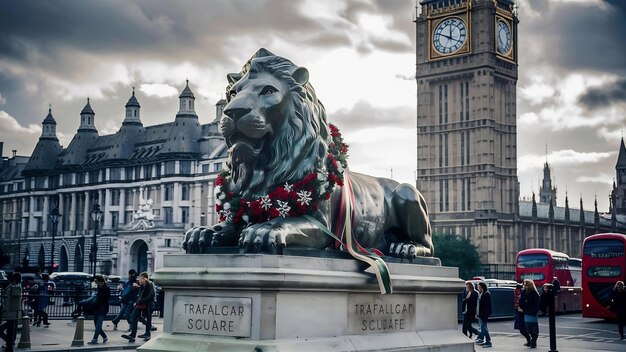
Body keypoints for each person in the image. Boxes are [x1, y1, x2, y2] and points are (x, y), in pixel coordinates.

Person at [122, 272, 155, 342]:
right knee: (134, 315)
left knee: (149, 318)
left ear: (144, 278)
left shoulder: (150, 284)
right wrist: (137, 301)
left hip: (149, 304)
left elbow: (151, 295)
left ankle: (147, 333)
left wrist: (141, 301)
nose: (139, 279)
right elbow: (140, 295)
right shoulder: (141, 285)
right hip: (141, 303)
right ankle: (133, 334)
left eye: (140, 278)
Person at [0, 272, 22, 352]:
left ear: (14, 278)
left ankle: (9, 345)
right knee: (11, 329)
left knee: (10, 330)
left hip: (12, 311)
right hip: (11, 311)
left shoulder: (16, 286)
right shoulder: (14, 285)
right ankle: (9, 344)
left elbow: (13, 297)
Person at [88, 275, 110, 344]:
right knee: (96, 323)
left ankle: (95, 339)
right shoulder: (99, 288)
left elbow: (103, 299)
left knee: (98, 324)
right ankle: (104, 336)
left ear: (100, 282)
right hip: (97, 308)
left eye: (96, 282)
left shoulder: (106, 289)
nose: (96, 283)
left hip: (103, 308)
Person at [519, 279, 540, 349]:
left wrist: (534, 311)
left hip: (533, 313)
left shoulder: (535, 293)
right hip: (526, 313)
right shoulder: (523, 292)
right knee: (528, 328)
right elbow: (521, 303)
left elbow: (537, 304)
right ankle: (532, 341)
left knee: (534, 329)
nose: (524, 286)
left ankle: (533, 342)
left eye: (525, 285)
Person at [474, 282, 493, 348]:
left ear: (482, 287)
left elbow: (487, 306)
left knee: (483, 327)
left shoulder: (486, 294)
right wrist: (477, 313)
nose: (478, 288)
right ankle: (482, 338)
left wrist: (482, 314)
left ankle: (488, 341)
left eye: (479, 287)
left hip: (484, 314)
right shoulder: (481, 294)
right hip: (480, 313)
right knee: (483, 327)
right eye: (478, 287)